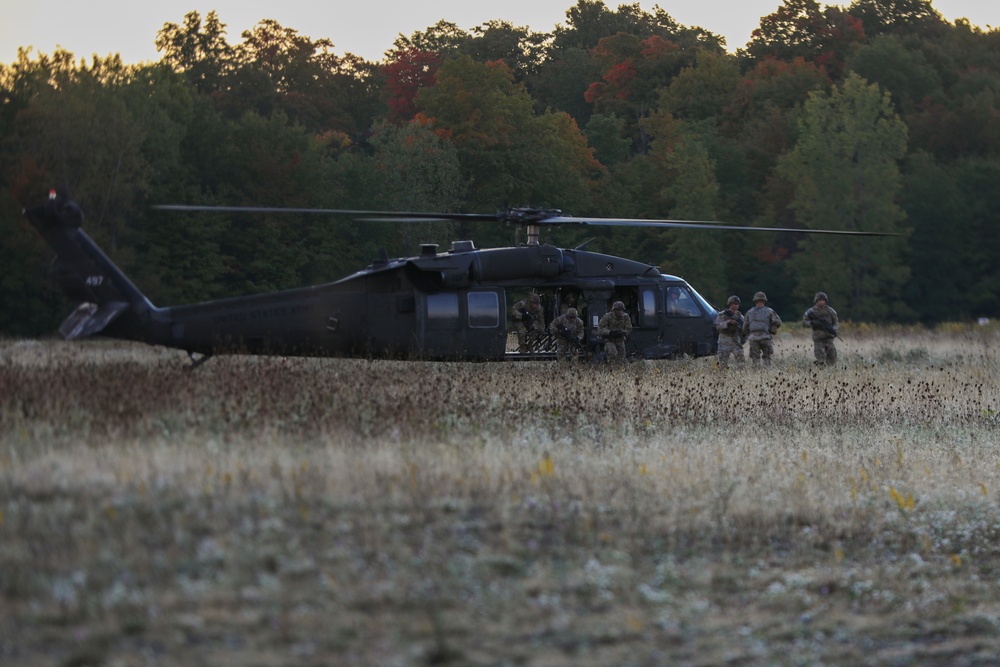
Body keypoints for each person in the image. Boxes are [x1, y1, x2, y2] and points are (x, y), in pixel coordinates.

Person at [742, 291, 781, 367]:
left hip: (753, 338)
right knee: (767, 357)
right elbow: (778, 322)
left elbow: (745, 327)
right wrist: (772, 328)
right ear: (764, 301)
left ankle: (756, 374)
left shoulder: (749, 312)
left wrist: (745, 334)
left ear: (755, 301)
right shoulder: (769, 311)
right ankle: (767, 373)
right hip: (765, 337)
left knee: (755, 358)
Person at [803, 291, 839, 366]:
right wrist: (813, 323)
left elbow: (836, 322)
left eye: (823, 300)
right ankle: (819, 370)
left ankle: (830, 371)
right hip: (818, 337)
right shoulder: (811, 311)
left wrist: (834, 329)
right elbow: (805, 322)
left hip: (829, 337)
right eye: (819, 300)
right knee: (820, 356)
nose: (821, 302)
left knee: (832, 356)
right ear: (816, 301)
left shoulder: (830, 311)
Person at [715, 295, 745, 368]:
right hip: (724, 341)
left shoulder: (740, 316)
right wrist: (728, 322)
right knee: (722, 364)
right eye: (734, 304)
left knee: (741, 362)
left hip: (735, 341)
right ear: (730, 304)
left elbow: (744, 327)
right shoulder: (723, 314)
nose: (735, 305)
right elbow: (718, 326)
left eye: (737, 304)